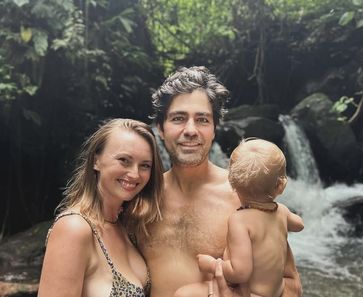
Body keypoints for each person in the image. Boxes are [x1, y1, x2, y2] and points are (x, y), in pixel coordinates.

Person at [137, 66, 303, 297]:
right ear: (160, 129)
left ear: (214, 129)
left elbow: (291, 285)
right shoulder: (139, 196)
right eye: (178, 118)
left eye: (202, 119)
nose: (191, 130)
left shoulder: (246, 196)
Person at [38, 119, 164, 297]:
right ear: (96, 161)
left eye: (145, 165)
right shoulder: (74, 228)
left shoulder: (125, 226)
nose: (135, 174)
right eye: (124, 160)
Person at [177, 138, 304, 297]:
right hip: (278, 291)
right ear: (280, 186)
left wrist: (212, 265)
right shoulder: (282, 211)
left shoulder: (240, 220)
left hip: (251, 294)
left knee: (183, 294)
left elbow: (240, 272)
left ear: (232, 183)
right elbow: (299, 225)